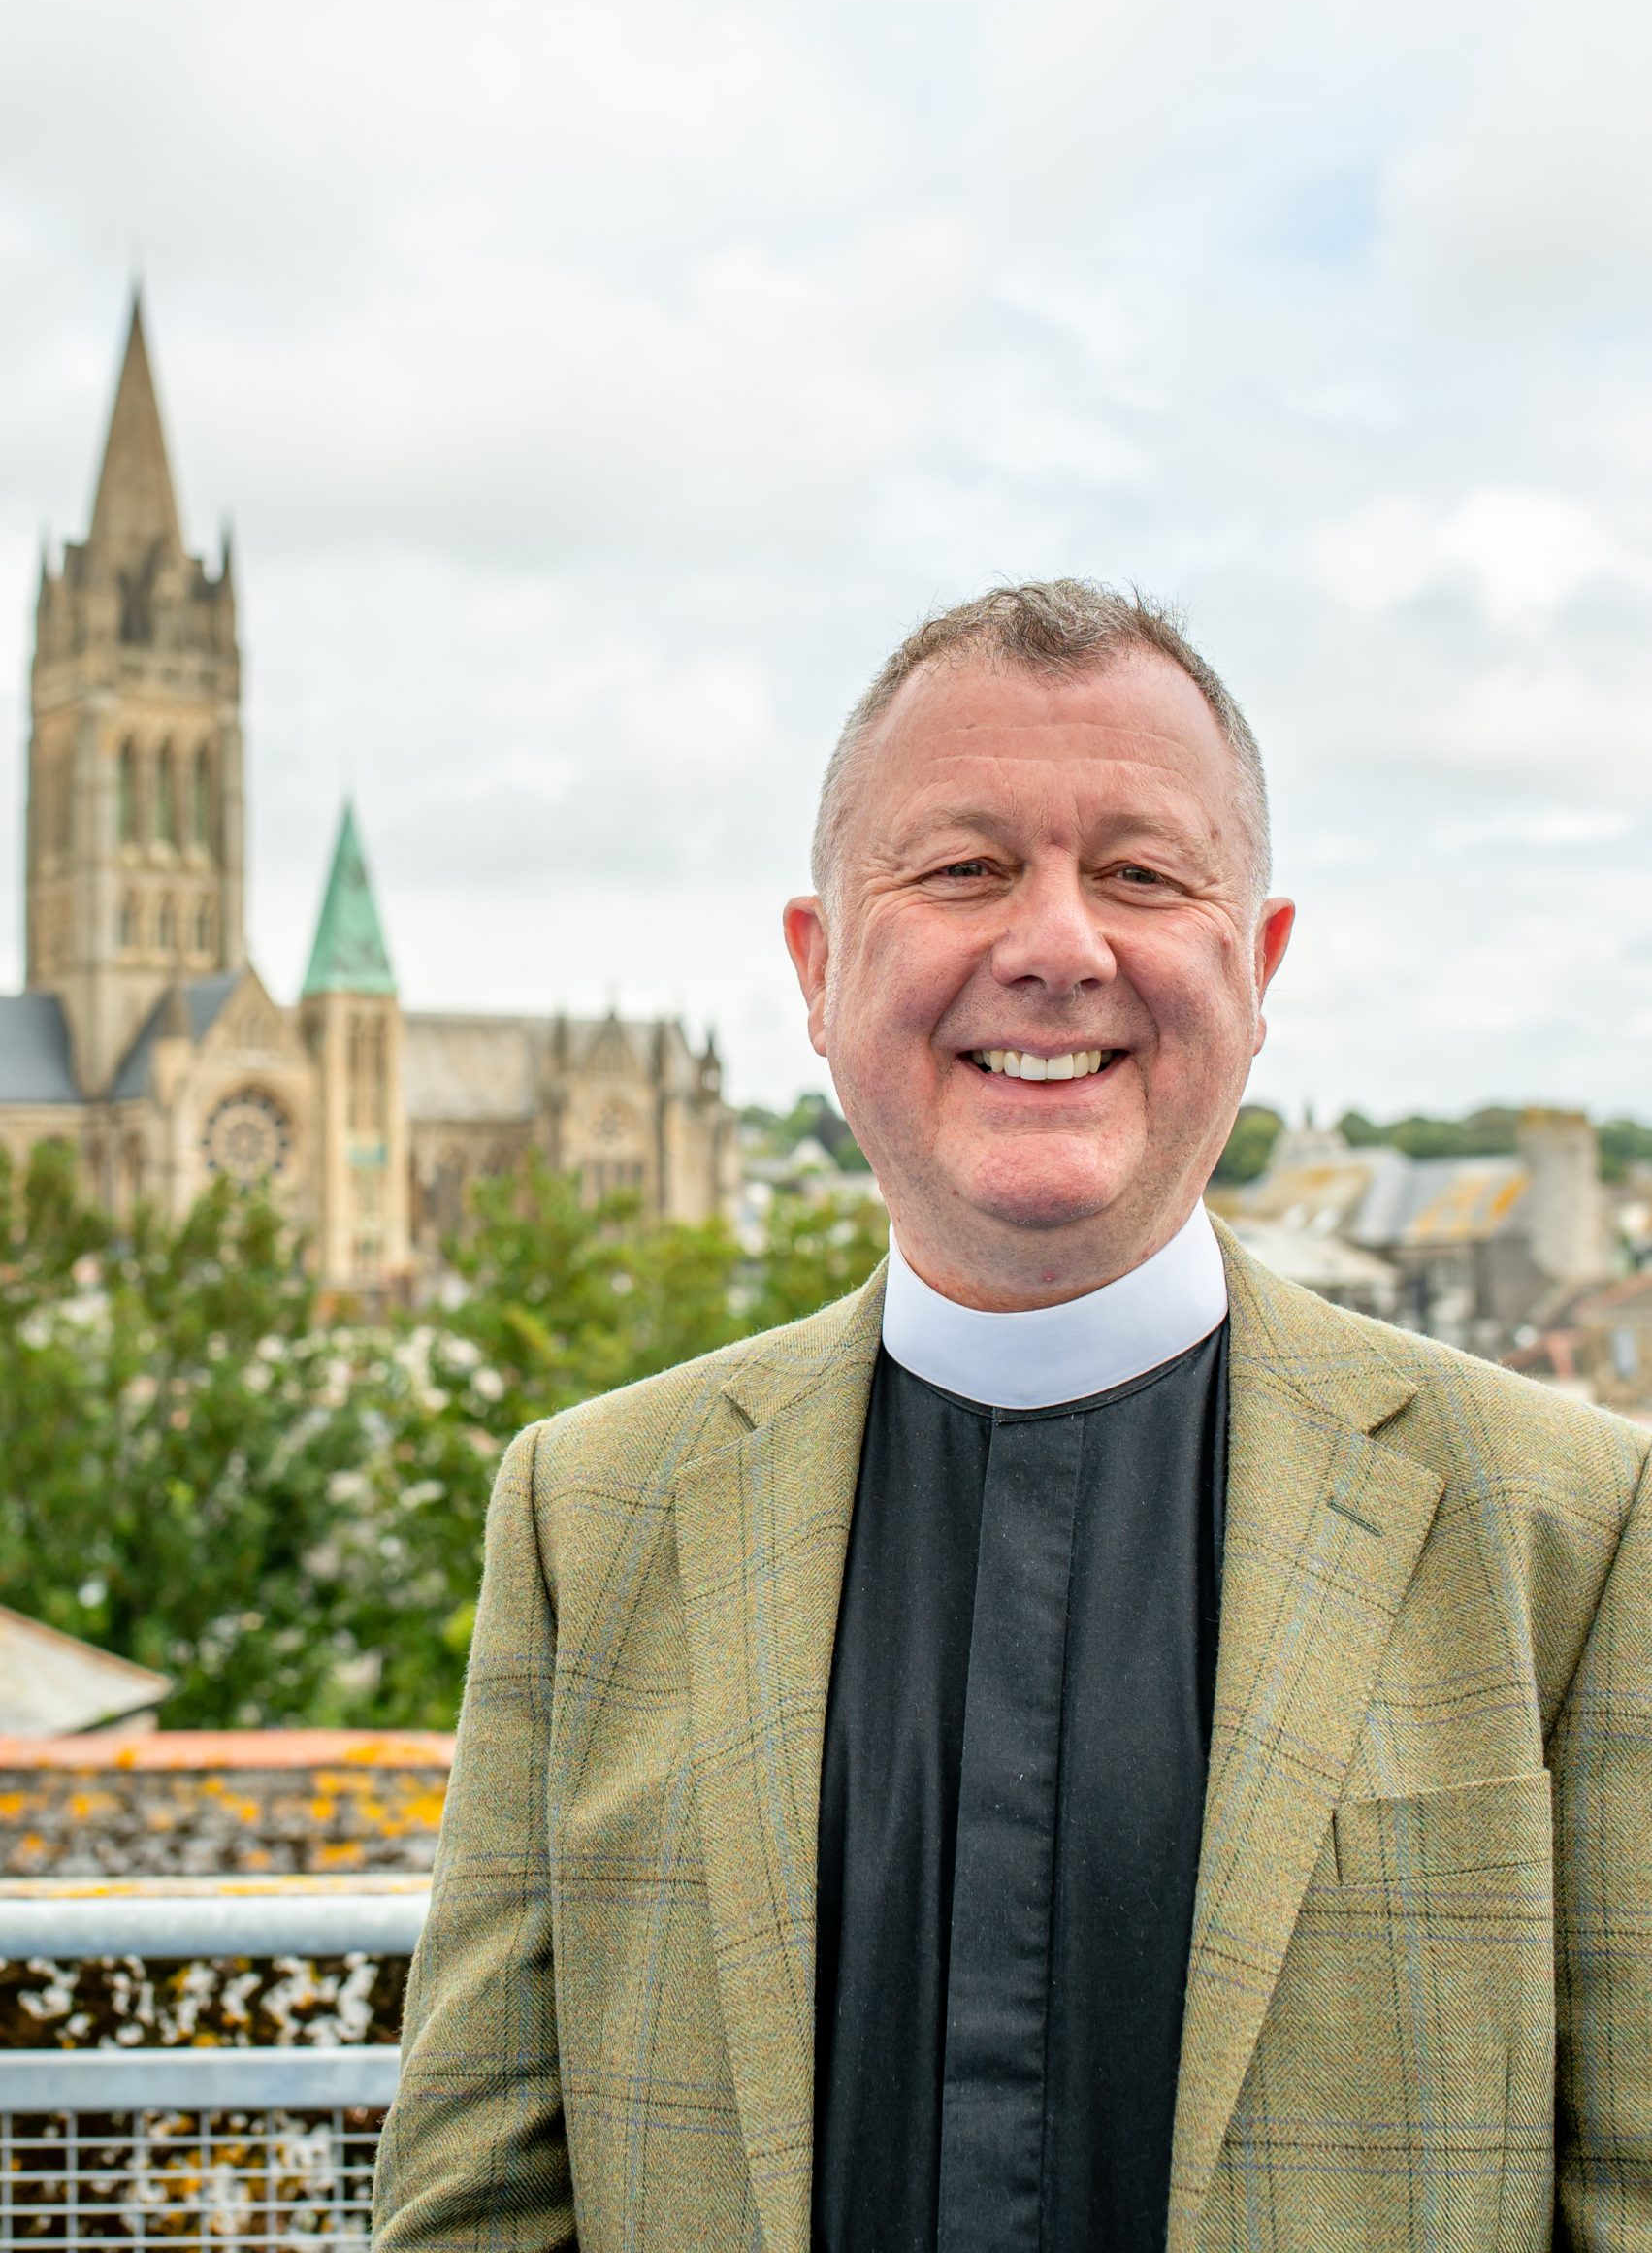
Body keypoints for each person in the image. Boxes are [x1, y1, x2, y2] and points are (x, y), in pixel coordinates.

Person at [373, 581, 1651, 2253]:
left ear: (1258, 971)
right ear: (819, 971)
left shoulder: (1568, 1526)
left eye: (1142, 872)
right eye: (966, 868)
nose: (1057, 945)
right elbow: (478, 2212)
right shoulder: (590, 1510)